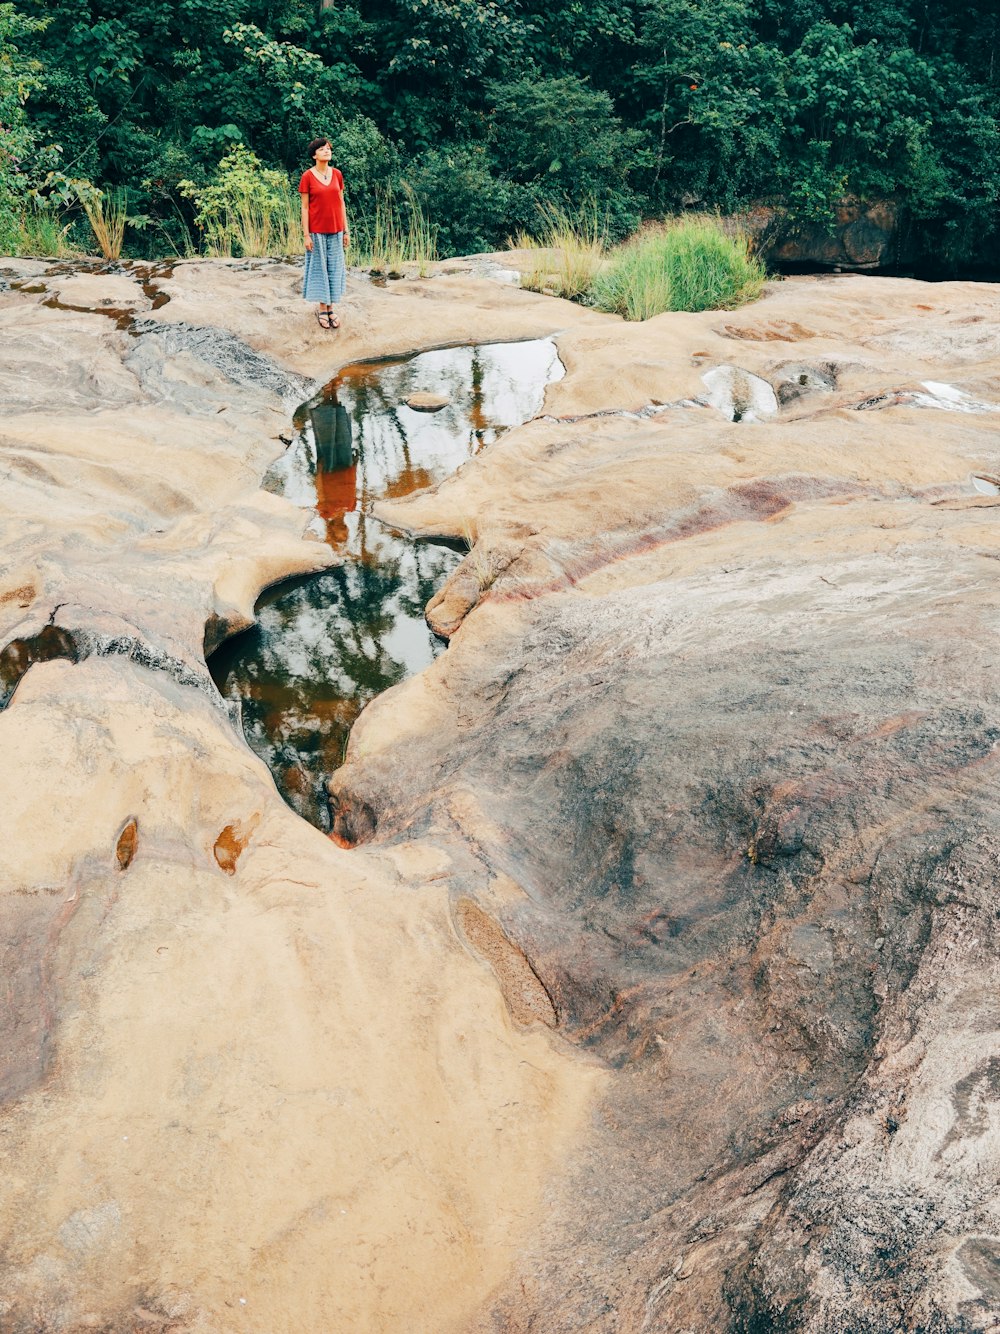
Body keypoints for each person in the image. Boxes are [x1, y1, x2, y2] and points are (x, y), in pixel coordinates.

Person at [300, 137, 350, 330]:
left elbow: (341, 202)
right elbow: (304, 208)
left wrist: (346, 230)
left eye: (328, 148)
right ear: (314, 155)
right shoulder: (308, 177)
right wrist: (306, 235)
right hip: (317, 230)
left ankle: (331, 308)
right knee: (320, 269)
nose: (326, 151)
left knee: (334, 268)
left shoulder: (337, 174)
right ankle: (322, 308)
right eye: (322, 149)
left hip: (336, 230)